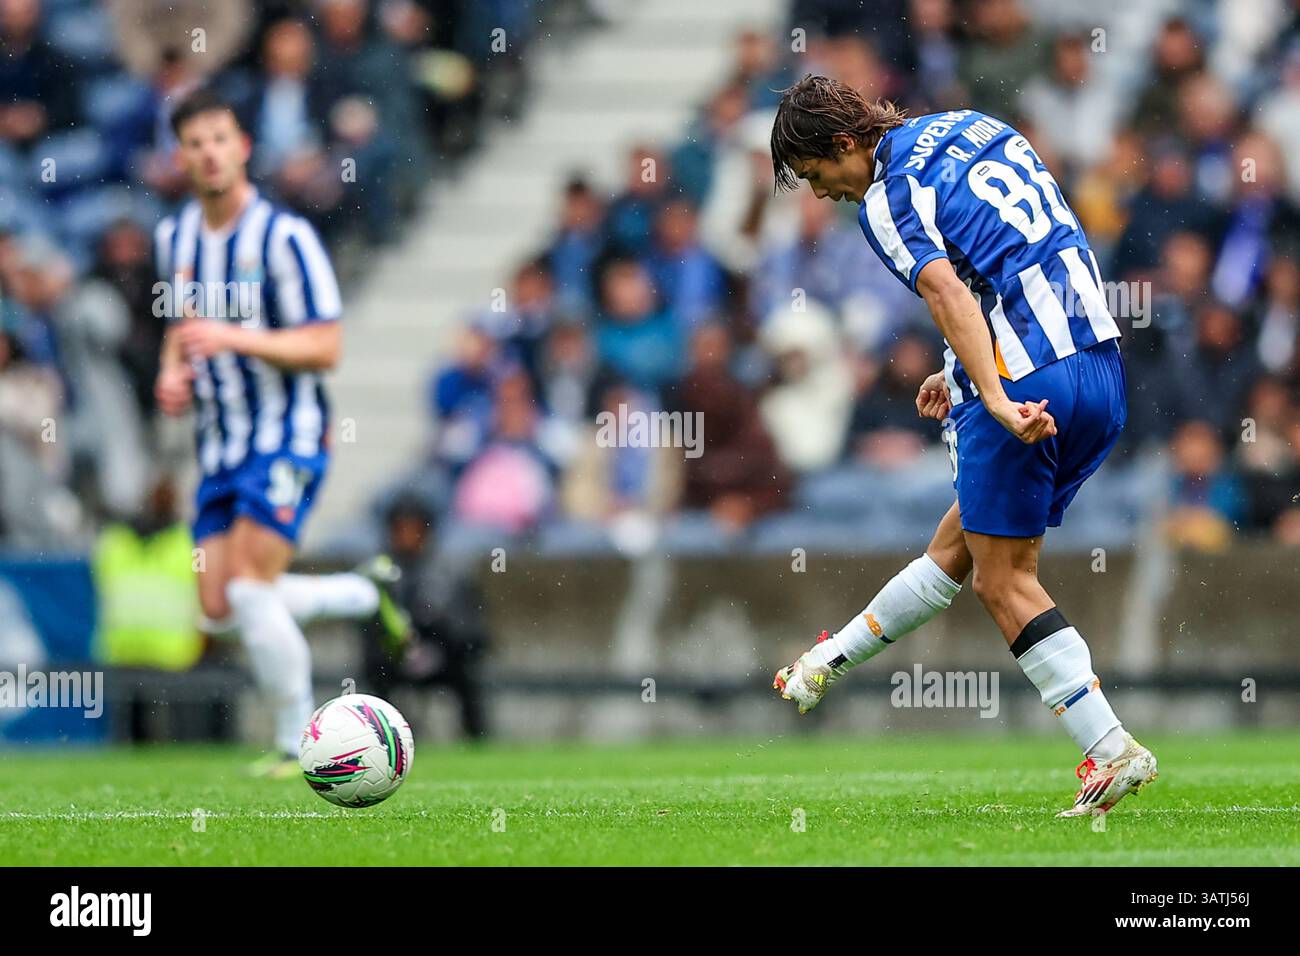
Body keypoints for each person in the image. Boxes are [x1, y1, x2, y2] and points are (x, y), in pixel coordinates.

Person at [768, 76, 1157, 817]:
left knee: (1002, 581)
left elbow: (950, 292)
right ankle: (824, 661)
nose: (823, 196)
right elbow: (1015, 248)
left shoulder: (886, 195)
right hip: (1098, 364)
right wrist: (960, 374)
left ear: (844, 143)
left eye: (820, 176)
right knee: (965, 549)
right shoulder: (973, 126)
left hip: (1024, 373)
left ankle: (1110, 751)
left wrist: (996, 394)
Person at [153, 89, 410, 777]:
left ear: (242, 147)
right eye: (195, 142)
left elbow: (326, 346)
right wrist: (171, 374)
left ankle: (298, 740)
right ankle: (360, 593)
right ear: (182, 157)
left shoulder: (284, 237)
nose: (208, 152)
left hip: (286, 433)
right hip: (219, 445)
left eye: (219, 138)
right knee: (216, 608)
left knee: (245, 588)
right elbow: (183, 332)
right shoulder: (173, 238)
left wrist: (234, 336)